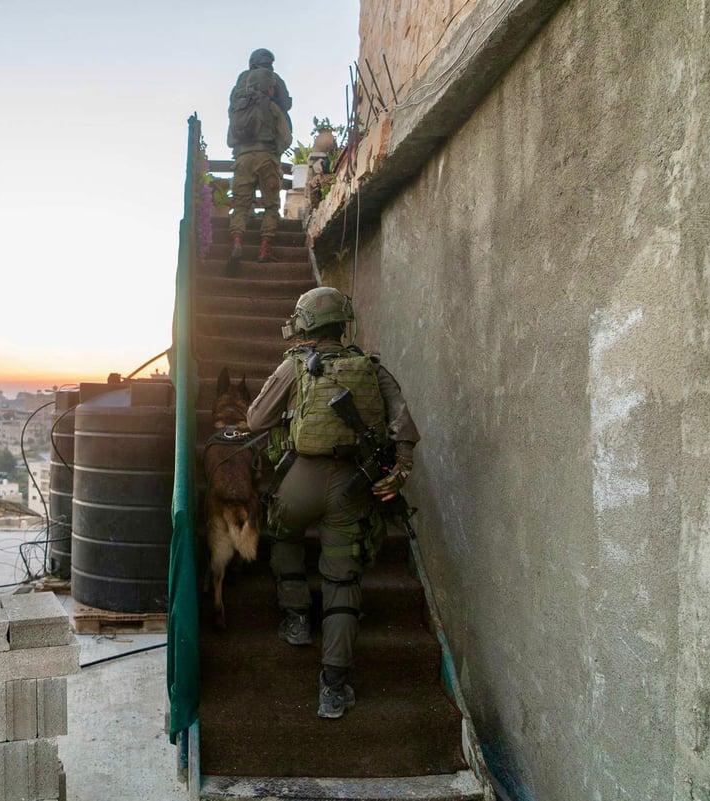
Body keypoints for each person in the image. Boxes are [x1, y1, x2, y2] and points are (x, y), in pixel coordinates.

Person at [245, 286, 419, 719]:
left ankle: (297, 618)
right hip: (353, 485)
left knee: (282, 532)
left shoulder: (295, 366)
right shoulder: (371, 367)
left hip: (300, 479)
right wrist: (400, 470)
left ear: (304, 324)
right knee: (343, 578)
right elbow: (404, 425)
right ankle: (333, 686)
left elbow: (255, 420)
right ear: (343, 324)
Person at [227, 48, 293, 268]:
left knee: (241, 205)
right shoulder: (273, 106)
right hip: (267, 157)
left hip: (243, 157)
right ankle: (264, 249)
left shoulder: (239, 100)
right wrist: (275, 151)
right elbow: (286, 137)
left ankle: (237, 242)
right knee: (271, 205)